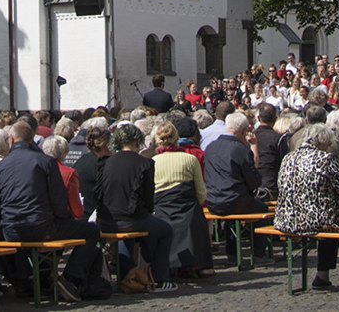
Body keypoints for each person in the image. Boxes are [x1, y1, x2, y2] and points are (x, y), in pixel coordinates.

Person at [0, 120, 100, 302]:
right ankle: (69, 278)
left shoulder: (0, 167)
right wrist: (64, 218)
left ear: (11, 140)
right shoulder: (45, 161)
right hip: (41, 226)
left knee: (45, 230)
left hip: (10, 230)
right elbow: (59, 202)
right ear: (32, 139)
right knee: (92, 230)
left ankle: (32, 281)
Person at [276, 122, 339, 291]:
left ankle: (322, 275)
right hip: (314, 219)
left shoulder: (287, 158)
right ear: (322, 141)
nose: (329, 146)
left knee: (331, 222)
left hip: (288, 218)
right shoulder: (325, 159)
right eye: (329, 142)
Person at [96, 124, 176, 292]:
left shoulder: (106, 162)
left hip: (104, 220)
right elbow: (148, 199)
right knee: (165, 230)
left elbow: (99, 193)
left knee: (128, 235)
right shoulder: (144, 163)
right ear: (138, 141)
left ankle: (127, 275)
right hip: (131, 218)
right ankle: (160, 278)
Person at [204, 111, 270, 264]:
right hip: (235, 200)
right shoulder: (240, 150)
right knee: (261, 210)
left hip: (212, 200)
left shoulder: (210, 147)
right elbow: (254, 182)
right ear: (242, 132)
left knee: (231, 214)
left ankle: (232, 253)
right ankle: (259, 254)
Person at [151, 122, 212, 276]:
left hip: (161, 211)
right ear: (177, 137)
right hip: (188, 210)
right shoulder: (190, 160)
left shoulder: (153, 163)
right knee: (200, 217)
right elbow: (201, 193)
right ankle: (200, 264)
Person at [74, 124, 111, 221]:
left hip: (81, 215)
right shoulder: (101, 164)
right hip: (92, 218)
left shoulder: (82, 160)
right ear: (105, 145)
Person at [41, 136, 82, 219]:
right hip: (62, 221)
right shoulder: (69, 174)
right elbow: (77, 211)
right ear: (64, 151)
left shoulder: (38, 170)